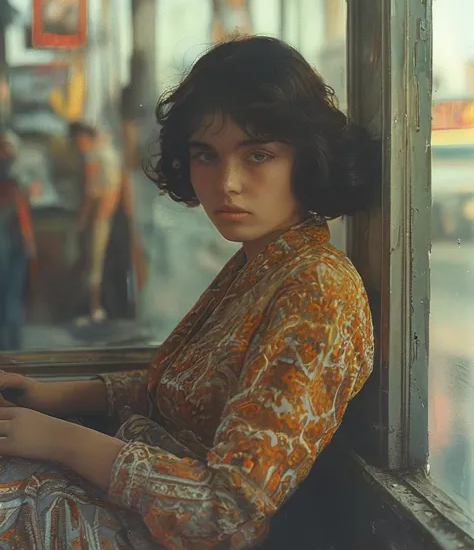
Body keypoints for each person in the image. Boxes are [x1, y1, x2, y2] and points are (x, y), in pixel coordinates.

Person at [0, 37, 377, 549]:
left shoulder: (318, 291)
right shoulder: (262, 262)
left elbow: (227, 514)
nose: (227, 183)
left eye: (258, 155)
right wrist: (49, 394)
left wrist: (60, 438)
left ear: (306, 160)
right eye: (206, 155)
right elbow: (184, 391)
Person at [69, 121, 124, 324]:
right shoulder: (109, 152)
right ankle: (97, 308)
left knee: (94, 264)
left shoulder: (95, 156)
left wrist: (82, 220)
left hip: (101, 216)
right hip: (109, 215)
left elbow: (92, 192)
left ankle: (94, 308)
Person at [0, 132, 37, 350]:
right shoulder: (12, 176)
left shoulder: (16, 176)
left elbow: (23, 211)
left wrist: (29, 241)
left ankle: (12, 348)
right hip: (8, 238)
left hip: (16, 240)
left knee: (12, 296)